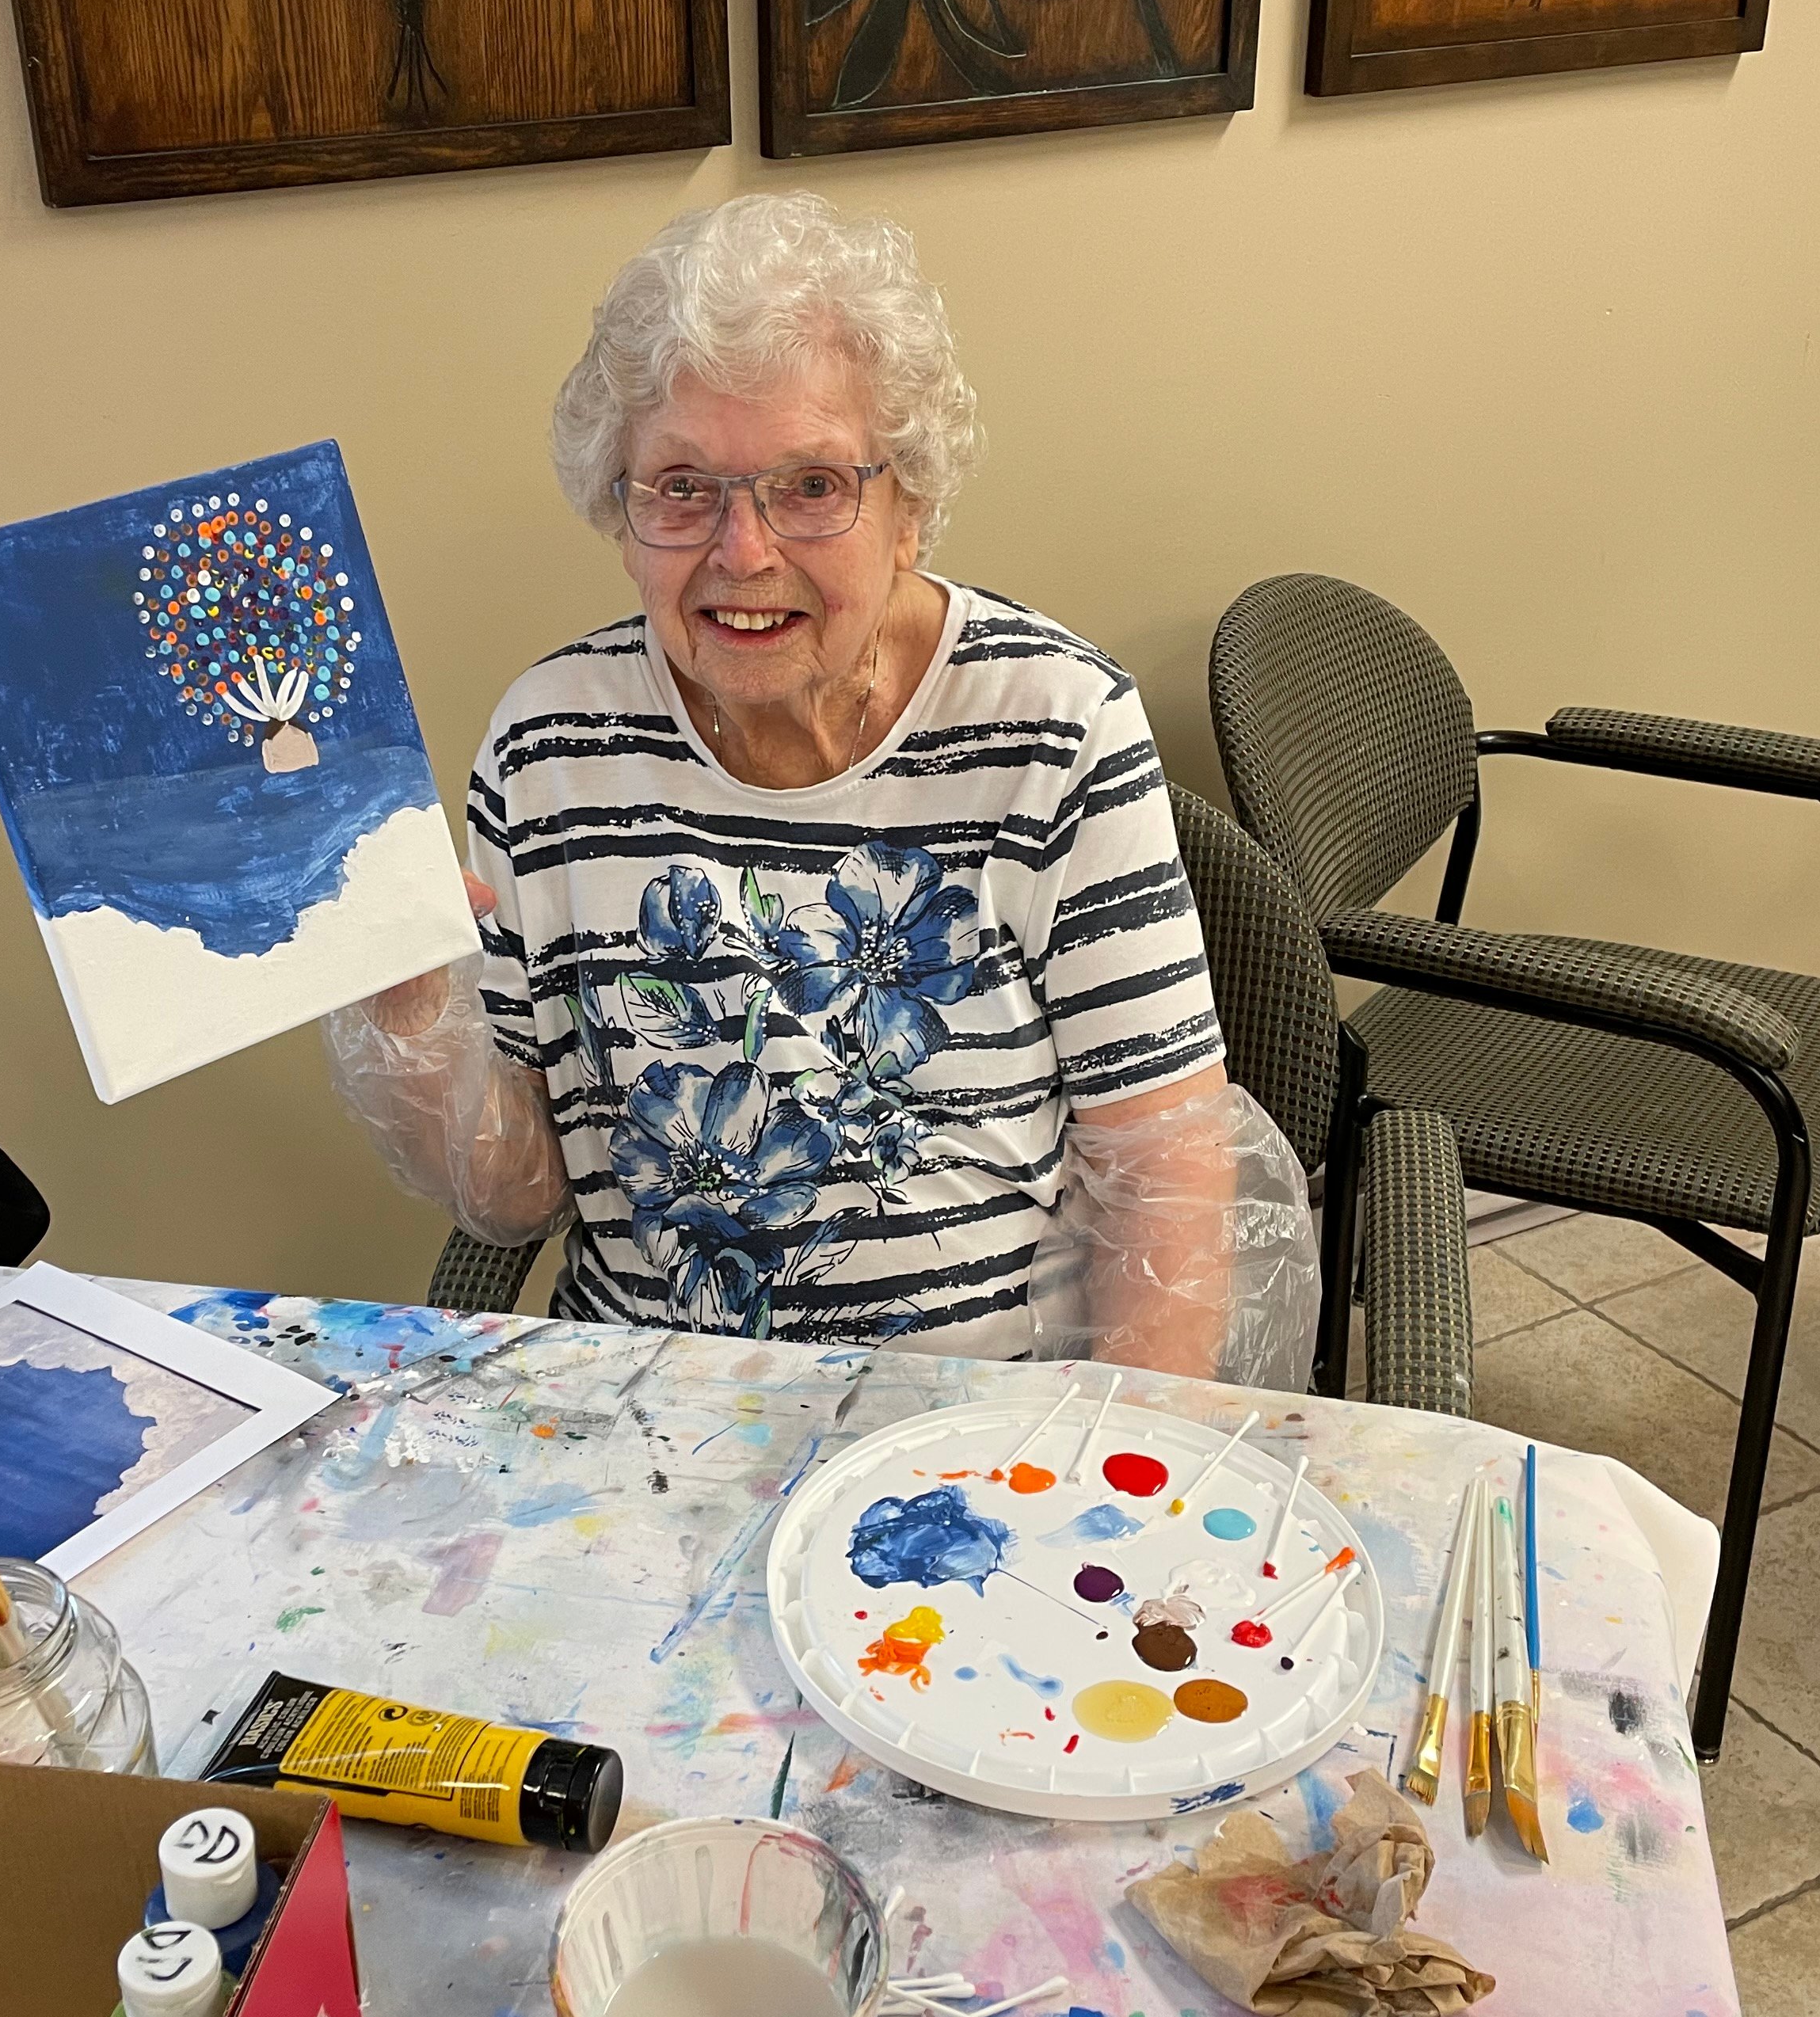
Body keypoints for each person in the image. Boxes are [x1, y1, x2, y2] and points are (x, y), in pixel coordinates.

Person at [326, 192, 1313, 1380]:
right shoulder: (549, 747)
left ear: (909, 509)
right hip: (648, 1413)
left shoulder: (1051, 727)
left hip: (985, 1417)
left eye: (809, 487)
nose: (742, 553)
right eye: (682, 487)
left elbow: (1165, 1172)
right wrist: (407, 1014)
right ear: (621, 507)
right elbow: (521, 1193)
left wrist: (1125, 1463)